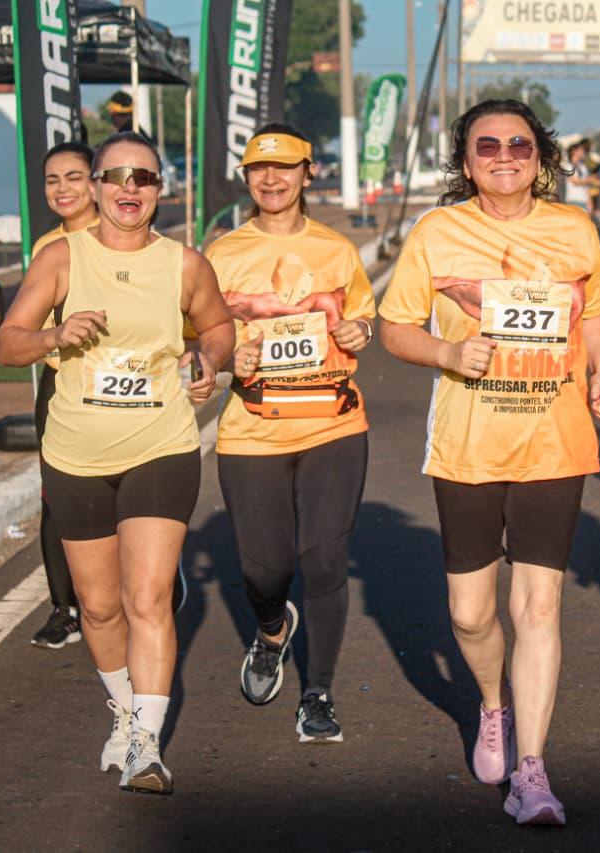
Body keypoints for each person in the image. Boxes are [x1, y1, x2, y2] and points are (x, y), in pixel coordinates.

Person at [379, 99, 600, 827]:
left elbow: (597, 310)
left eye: (519, 143)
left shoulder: (574, 229)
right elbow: (393, 328)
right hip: (469, 445)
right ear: (466, 159)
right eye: (488, 145)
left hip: (555, 440)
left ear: (541, 155)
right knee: (471, 613)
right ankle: (493, 704)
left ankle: (532, 772)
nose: (505, 155)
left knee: (538, 607)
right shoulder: (438, 231)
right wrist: (448, 352)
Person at [0, 131, 234, 795]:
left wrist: (207, 361)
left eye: (146, 179)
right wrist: (52, 334)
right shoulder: (61, 259)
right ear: (95, 185)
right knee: (99, 608)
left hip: (160, 445)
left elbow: (216, 326)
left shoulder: (184, 263)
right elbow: (9, 344)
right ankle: (125, 715)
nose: (130, 189)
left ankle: (147, 745)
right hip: (75, 453)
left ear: (163, 189)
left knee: (148, 595)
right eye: (116, 176)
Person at [205, 123, 375, 743]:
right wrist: (229, 359)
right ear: (247, 178)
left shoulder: (337, 248)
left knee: (326, 558)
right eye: (258, 170)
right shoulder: (221, 253)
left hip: (333, 423)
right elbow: (199, 334)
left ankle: (319, 694)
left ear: (308, 173)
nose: (271, 180)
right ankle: (273, 629)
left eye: (284, 169)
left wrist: (360, 333)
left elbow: (359, 315)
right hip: (252, 430)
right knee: (264, 571)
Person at [28, 141, 99, 650]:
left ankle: (145, 583)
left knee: (124, 491)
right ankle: (64, 608)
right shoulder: (46, 248)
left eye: (73, 177)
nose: (63, 189)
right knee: (58, 495)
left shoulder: (126, 237)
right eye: (53, 180)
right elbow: (27, 327)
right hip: (60, 384)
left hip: (122, 382)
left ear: (96, 182)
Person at [563, 141, 594, 215]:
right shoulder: (568, 166)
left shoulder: (583, 167)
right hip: (573, 200)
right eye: (581, 150)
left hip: (584, 201)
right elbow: (575, 182)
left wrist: (590, 201)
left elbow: (587, 187)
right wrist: (590, 180)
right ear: (574, 151)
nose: (583, 152)